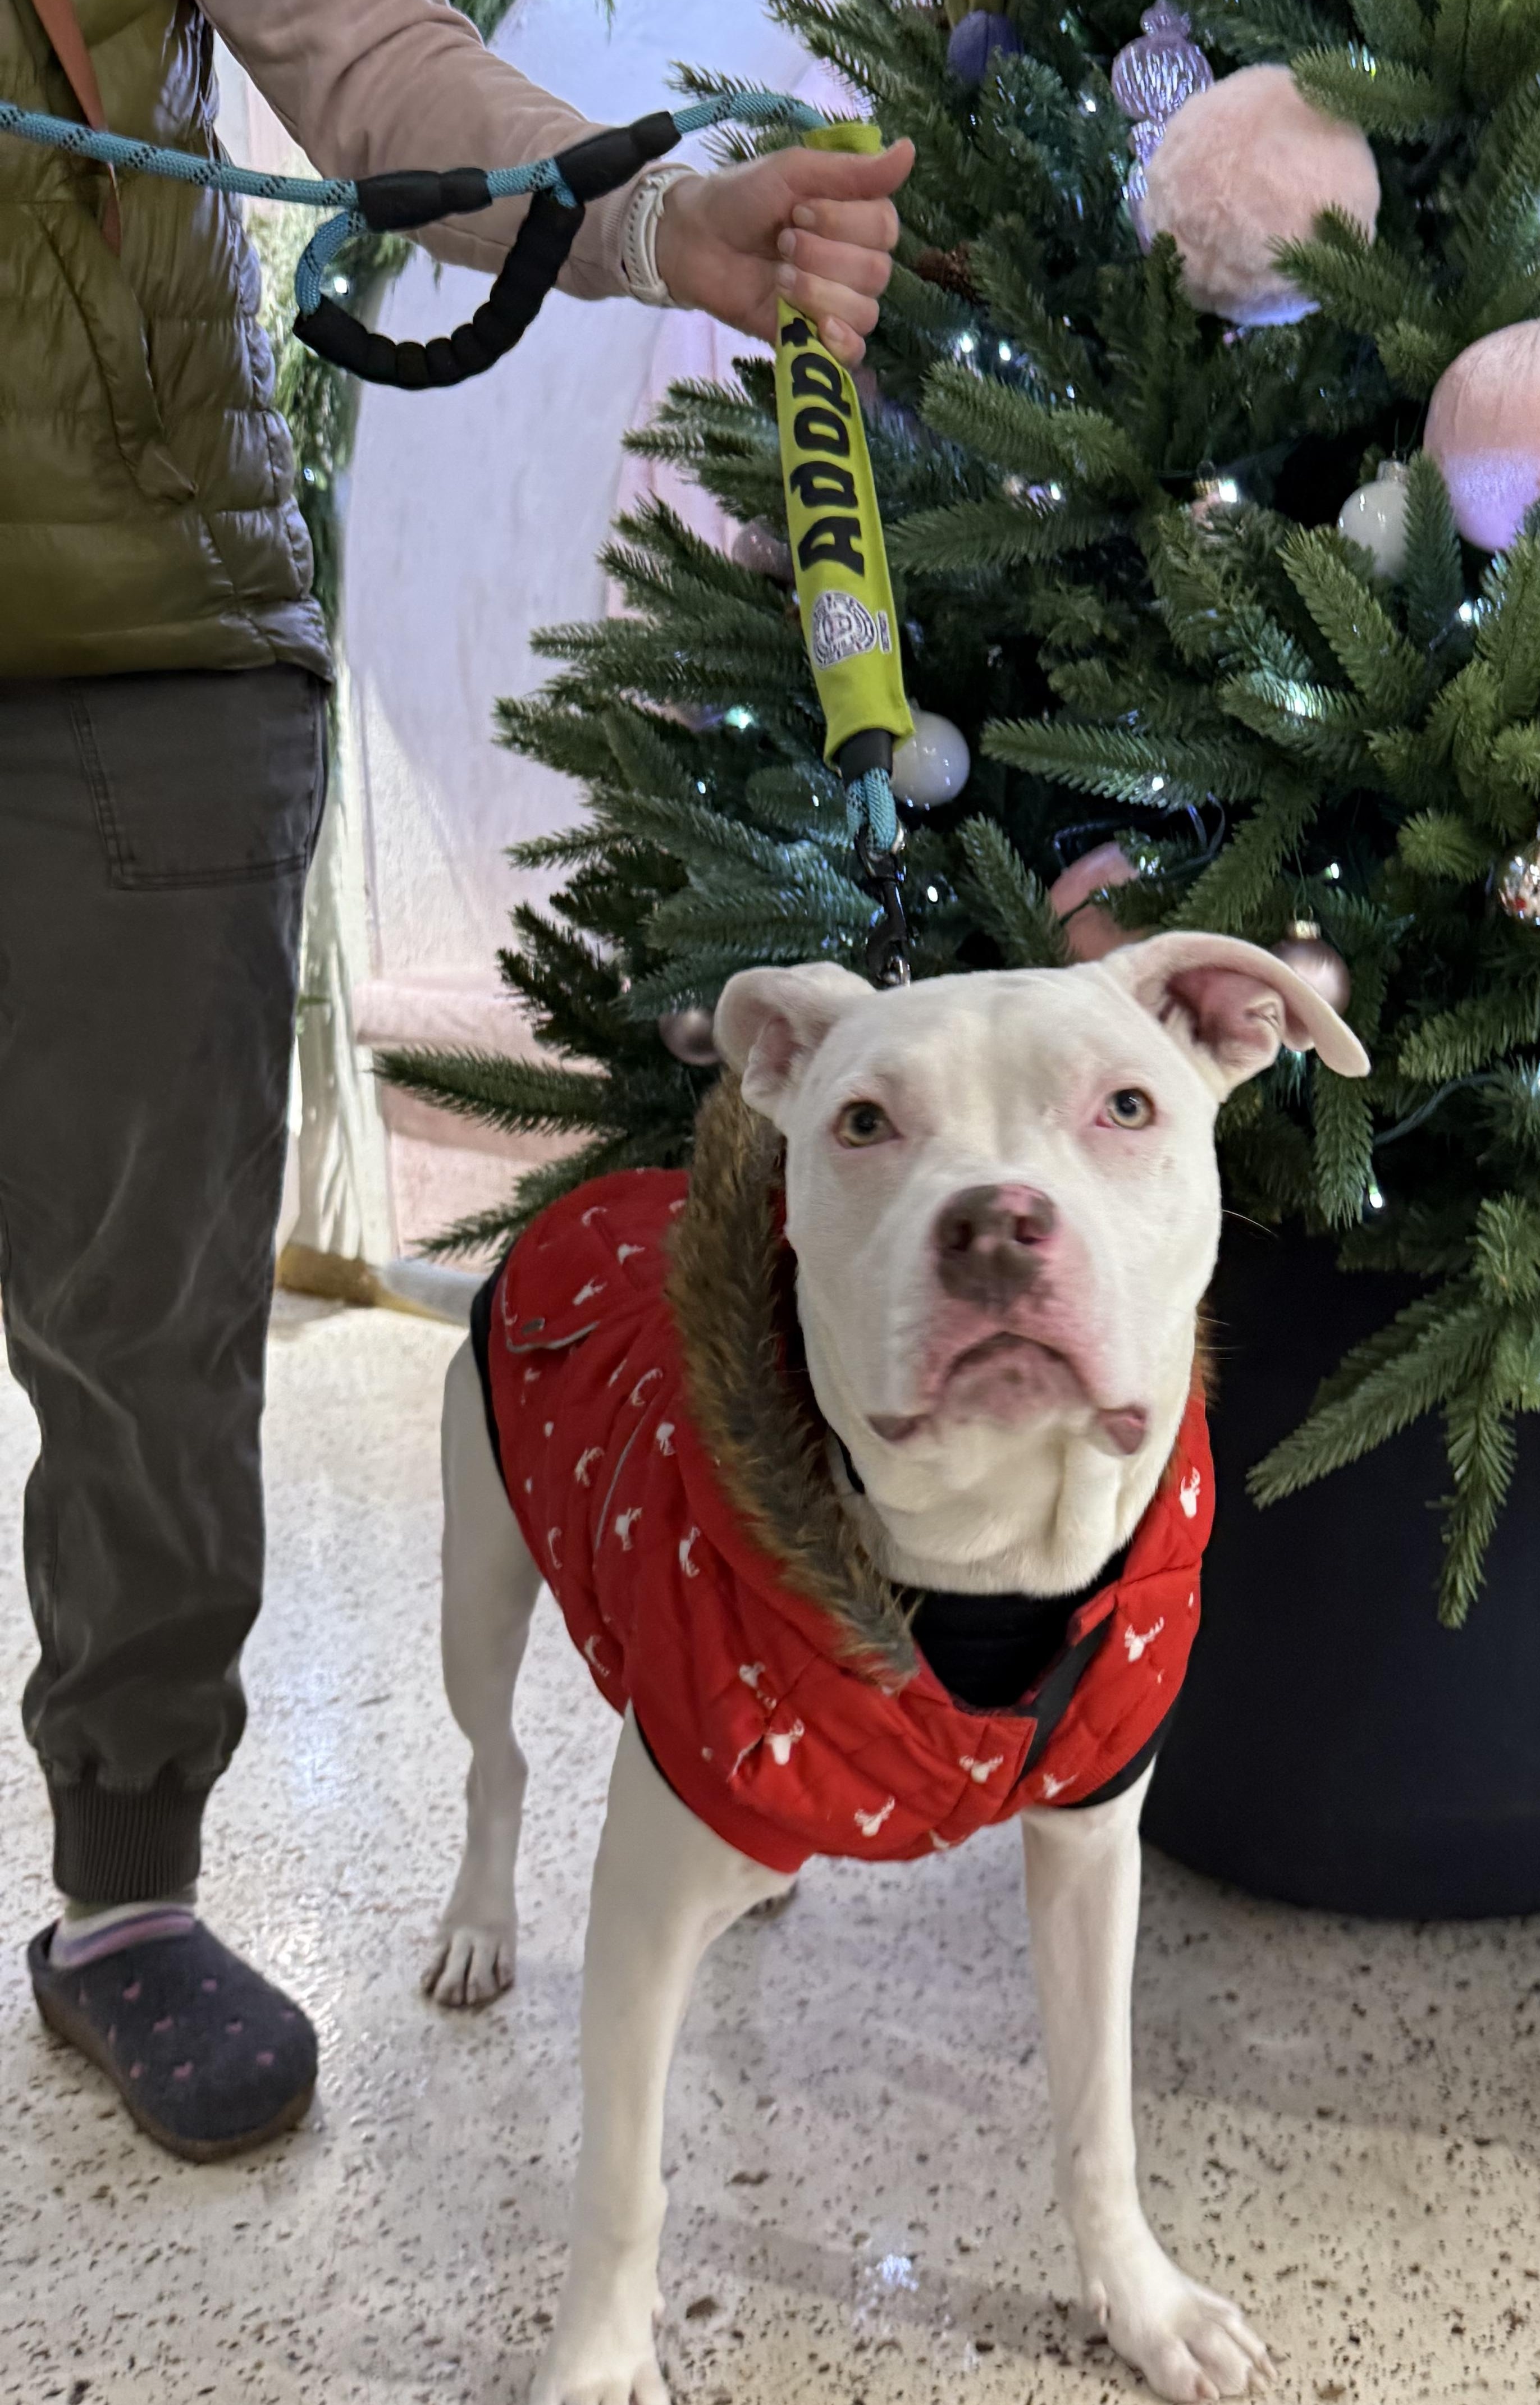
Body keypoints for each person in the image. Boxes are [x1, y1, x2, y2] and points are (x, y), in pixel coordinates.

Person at [3, 0, 910, 2161]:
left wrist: (656, 215)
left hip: (149, 651)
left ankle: (129, 1893)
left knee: (150, 1318)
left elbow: (371, 56)